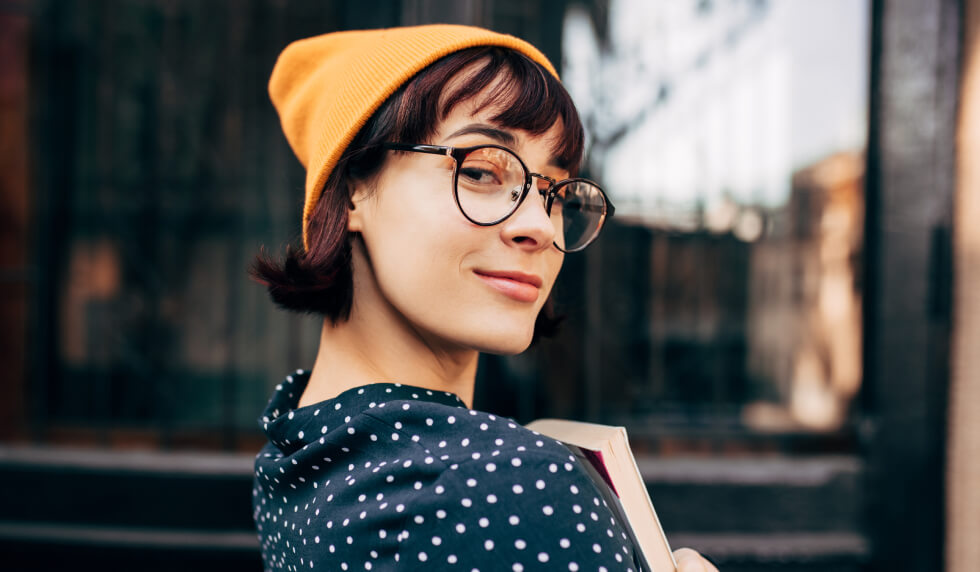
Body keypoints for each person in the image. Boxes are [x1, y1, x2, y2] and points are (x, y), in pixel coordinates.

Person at [251, 24, 718, 572]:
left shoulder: (298, 445)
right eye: (480, 171)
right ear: (352, 186)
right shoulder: (517, 489)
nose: (540, 227)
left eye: (554, 193)